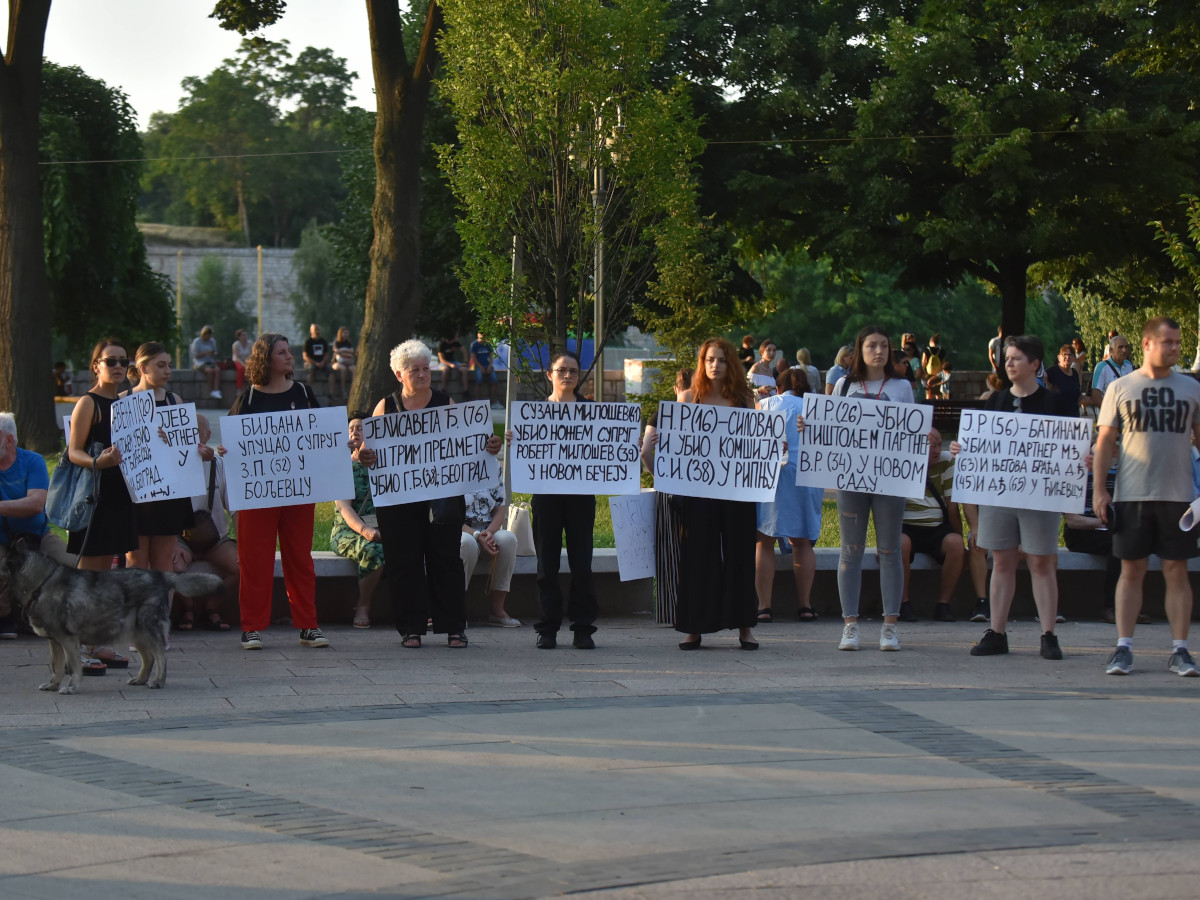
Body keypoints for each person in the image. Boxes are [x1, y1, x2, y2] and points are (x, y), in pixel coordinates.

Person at [372, 340, 502, 648]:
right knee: (405, 562)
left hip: (441, 500)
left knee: (446, 560)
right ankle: (411, 628)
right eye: (414, 370)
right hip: (399, 502)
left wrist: (489, 446)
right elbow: (372, 451)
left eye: (426, 368)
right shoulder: (386, 406)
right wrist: (366, 456)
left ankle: (455, 627)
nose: (422, 374)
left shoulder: (446, 403)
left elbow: (468, 444)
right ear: (398, 375)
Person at [952, 334, 1075, 660]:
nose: (1008, 363)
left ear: (1035, 364)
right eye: (1006, 358)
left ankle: (1048, 634)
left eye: (1016, 358)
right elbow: (981, 448)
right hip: (999, 496)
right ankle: (997, 631)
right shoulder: (996, 402)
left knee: (1041, 561)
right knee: (1002, 561)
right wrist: (963, 450)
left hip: (1039, 498)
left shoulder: (1054, 404)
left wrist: (1081, 459)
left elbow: (1070, 449)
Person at [1094, 317, 1200, 677]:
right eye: (1167, 341)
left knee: (1177, 571)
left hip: (1179, 496)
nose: (1174, 348)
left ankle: (1181, 650)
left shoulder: (1191, 388)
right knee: (1131, 570)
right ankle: (1123, 648)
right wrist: (1099, 491)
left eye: (1178, 342)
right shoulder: (1121, 387)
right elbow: (1106, 442)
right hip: (1132, 495)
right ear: (1147, 344)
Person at [643, 338, 759, 651]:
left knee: (740, 557)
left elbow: (755, 447)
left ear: (730, 363)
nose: (714, 365)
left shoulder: (744, 399)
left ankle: (745, 627)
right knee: (695, 557)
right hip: (697, 494)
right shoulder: (687, 399)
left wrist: (772, 449)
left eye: (721, 360)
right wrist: (654, 460)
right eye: (709, 359)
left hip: (738, 492)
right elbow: (669, 454)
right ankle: (693, 627)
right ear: (701, 363)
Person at [815, 325, 918, 652]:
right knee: (851, 550)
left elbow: (912, 432)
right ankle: (850, 625)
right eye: (872, 346)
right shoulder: (844, 385)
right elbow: (829, 429)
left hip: (889, 480)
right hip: (851, 478)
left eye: (884, 346)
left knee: (889, 550)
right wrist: (810, 425)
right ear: (859, 351)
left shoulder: (902, 387)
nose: (879, 351)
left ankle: (890, 626)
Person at [228, 333, 329, 651]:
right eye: (283, 353)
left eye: (290, 352)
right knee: (254, 559)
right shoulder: (249, 399)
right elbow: (235, 444)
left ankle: (308, 625)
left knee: (300, 558)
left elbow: (320, 436)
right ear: (266, 359)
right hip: (258, 496)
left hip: (299, 493)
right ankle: (251, 628)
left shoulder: (303, 392)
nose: (291, 357)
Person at [64, 338, 138, 673]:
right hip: (95, 496)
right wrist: (98, 462)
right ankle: (74, 648)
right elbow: (72, 452)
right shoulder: (88, 403)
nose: (118, 367)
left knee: (106, 575)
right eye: (111, 361)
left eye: (123, 361)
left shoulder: (128, 404)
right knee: (88, 576)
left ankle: (95, 643)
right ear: (96, 365)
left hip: (121, 495)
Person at [524, 350, 600, 649]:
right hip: (546, 497)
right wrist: (516, 442)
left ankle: (583, 627)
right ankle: (548, 627)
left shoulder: (592, 411)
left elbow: (605, 449)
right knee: (547, 564)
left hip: (581, 497)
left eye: (573, 371)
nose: (567, 375)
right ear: (549, 374)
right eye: (561, 370)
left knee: (583, 564)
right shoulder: (534, 413)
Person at [754, 369, 823, 623]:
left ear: (778, 387)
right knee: (802, 541)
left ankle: (764, 607)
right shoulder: (813, 408)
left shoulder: (765, 404)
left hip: (772, 475)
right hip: (806, 476)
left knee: (764, 540)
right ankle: (805, 605)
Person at [0, 412, 76, 638]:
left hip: (38, 534)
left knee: (74, 566)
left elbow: (36, 503)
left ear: (9, 440)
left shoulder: (32, 461)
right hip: (2, 539)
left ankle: (71, 619)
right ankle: (6, 619)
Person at [124, 342, 195, 573]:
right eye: (161, 365)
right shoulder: (123, 401)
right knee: (136, 564)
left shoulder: (175, 401)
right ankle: (138, 611)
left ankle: (163, 611)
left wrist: (199, 451)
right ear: (143, 368)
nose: (168, 371)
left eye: (169, 366)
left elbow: (187, 449)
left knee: (164, 568)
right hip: (135, 496)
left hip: (168, 495)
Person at [641, 367, 693, 626]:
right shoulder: (707, 415)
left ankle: (672, 610)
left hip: (668, 489)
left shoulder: (660, 415)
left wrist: (657, 475)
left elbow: (645, 453)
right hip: (698, 491)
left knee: (669, 553)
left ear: (675, 388)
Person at [174, 414, 236, 631]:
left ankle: (213, 606)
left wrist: (247, 539)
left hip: (216, 537)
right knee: (171, 565)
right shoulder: (171, 465)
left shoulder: (219, 465)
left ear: (207, 435)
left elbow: (235, 508)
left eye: (196, 431)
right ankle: (188, 608)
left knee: (245, 566)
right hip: (181, 538)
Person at [898, 429, 962, 623]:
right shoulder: (901, 463)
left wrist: (959, 536)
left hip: (936, 527)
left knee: (956, 544)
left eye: (939, 444)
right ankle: (903, 603)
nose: (936, 450)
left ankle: (943, 604)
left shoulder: (947, 461)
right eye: (930, 445)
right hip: (907, 526)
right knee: (900, 544)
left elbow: (952, 507)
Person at [331, 415, 383, 629]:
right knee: (373, 550)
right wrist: (365, 530)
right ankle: (363, 606)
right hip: (349, 530)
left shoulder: (384, 464)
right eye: (351, 428)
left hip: (382, 527)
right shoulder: (341, 467)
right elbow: (344, 508)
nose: (355, 432)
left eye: (360, 428)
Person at [459, 477, 521, 627]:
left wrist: (489, 533)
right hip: (461, 530)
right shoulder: (455, 467)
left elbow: (500, 508)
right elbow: (448, 515)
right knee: (466, 543)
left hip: (488, 530)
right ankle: (455, 609)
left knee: (508, 539)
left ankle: (497, 609)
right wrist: (476, 535)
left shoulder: (493, 469)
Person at [1089, 333, 1133, 408]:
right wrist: (1109, 412)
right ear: (1111, 350)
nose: (1124, 350)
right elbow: (1096, 396)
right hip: (1109, 413)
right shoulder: (1102, 367)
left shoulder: (1129, 365)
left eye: (1126, 347)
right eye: (1120, 347)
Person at [1046, 343, 1084, 413]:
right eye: (1064, 354)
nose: (1067, 357)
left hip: (1073, 417)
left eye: (1070, 355)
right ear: (1058, 357)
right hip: (1057, 417)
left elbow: (1078, 395)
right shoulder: (1051, 371)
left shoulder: (1075, 373)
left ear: (1074, 358)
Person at [191, 325, 222, 399]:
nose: (208, 338)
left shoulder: (212, 341)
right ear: (203, 334)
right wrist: (206, 352)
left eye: (209, 336)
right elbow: (195, 355)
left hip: (210, 361)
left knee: (217, 370)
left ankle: (216, 390)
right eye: (207, 336)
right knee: (210, 371)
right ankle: (211, 390)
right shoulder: (197, 341)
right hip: (200, 362)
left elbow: (215, 353)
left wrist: (212, 353)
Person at [303, 324, 333, 396]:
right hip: (311, 362)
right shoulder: (308, 342)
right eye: (315, 330)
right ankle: (308, 393)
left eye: (318, 329)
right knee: (311, 369)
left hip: (322, 362)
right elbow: (305, 356)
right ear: (311, 331)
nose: (317, 331)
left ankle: (331, 393)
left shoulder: (323, 341)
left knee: (331, 372)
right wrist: (315, 363)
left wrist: (322, 362)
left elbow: (327, 354)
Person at [469, 332, 498, 405]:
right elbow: (474, 358)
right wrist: (480, 367)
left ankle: (493, 401)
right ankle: (477, 400)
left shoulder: (488, 345)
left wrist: (489, 366)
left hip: (487, 365)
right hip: (479, 366)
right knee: (479, 380)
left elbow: (491, 357)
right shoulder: (474, 345)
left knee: (494, 380)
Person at [332, 326, 357, 401]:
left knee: (354, 369)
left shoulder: (349, 342)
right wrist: (346, 351)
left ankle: (354, 390)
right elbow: (336, 351)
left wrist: (342, 351)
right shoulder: (337, 342)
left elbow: (352, 351)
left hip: (348, 362)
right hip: (337, 363)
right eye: (344, 333)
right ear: (341, 333)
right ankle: (343, 390)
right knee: (343, 369)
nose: (346, 335)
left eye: (347, 333)